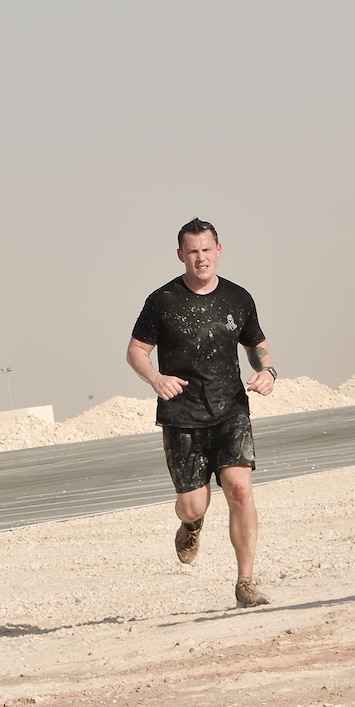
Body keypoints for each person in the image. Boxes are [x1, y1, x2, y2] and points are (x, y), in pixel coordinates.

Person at [127, 218, 277, 608]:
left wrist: (268, 371)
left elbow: (257, 344)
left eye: (206, 249)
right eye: (192, 251)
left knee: (240, 491)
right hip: (182, 416)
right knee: (195, 503)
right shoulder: (163, 301)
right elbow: (136, 352)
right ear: (181, 255)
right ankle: (191, 524)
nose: (200, 258)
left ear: (219, 250)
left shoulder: (238, 298)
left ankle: (245, 582)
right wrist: (156, 379)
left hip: (230, 411)